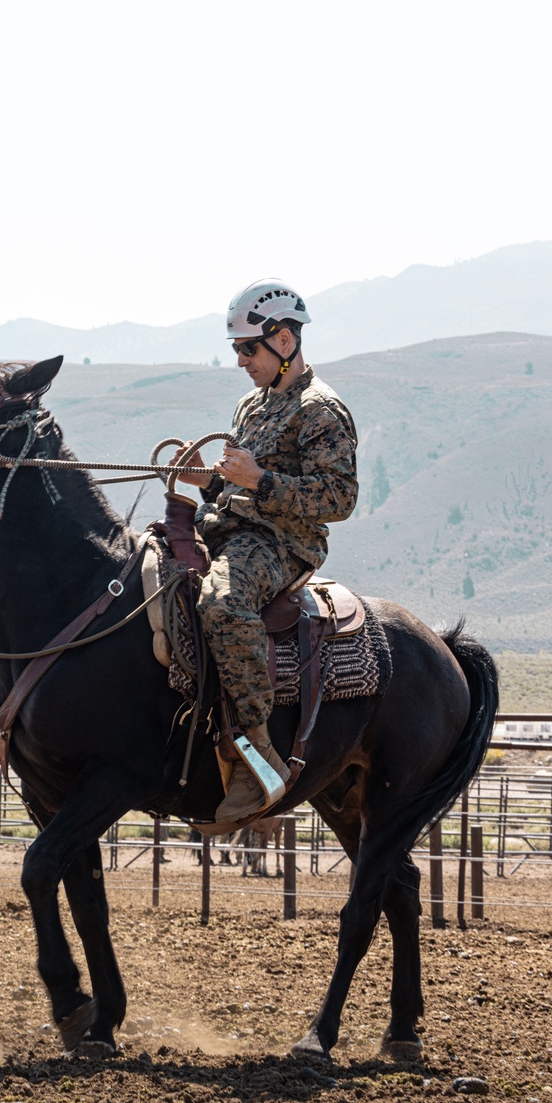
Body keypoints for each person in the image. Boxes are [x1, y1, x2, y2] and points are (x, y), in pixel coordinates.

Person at [174, 278, 359, 822]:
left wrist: (259, 481)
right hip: (228, 528)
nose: (239, 360)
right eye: (235, 349)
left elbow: (339, 498)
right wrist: (207, 482)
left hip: (282, 545)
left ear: (283, 340)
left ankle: (255, 756)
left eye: (247, 348)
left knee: (222, 604)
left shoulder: (322, 410)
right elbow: (239, 487)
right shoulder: (250, 404)